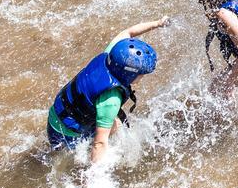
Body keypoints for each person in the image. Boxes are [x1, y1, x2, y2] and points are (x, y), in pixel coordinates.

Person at [47, 17, 169, 161]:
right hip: (65, 134)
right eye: (141, 74)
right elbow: (99, 143)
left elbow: (129, 32)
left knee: (114, 123)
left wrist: (157, 23)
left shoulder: (111, 55)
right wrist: (95, 176)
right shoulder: (111, 100)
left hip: (57, 113)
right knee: (81, 152)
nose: (142, 76)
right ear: (128, 74)